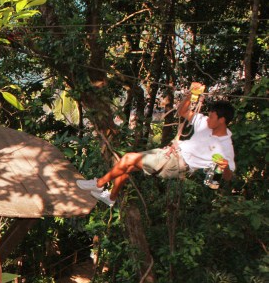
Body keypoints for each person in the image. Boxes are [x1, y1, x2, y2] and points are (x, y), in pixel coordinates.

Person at [77, 82, 236, 207]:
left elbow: (228, 176)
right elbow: (182, 111)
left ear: (222, 120)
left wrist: (225, 167)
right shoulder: (205, 123)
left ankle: (98, 183)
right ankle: (111, 198)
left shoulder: (225, 145)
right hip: (168, 153)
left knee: (127, 159)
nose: (208, 119)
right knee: (127, 167)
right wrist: (191, 94)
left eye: (212, 117)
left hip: (176, 163)